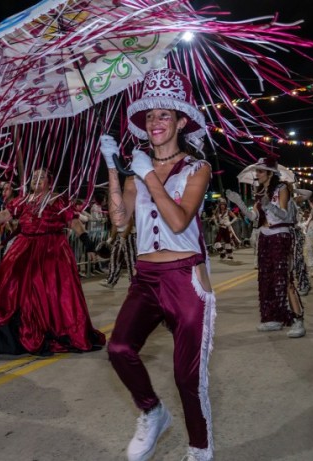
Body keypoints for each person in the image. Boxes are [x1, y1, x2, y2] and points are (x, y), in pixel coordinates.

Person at [100, 68, 215, 461]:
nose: (155, 123)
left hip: (185, 277)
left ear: (181, 121)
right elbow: (120, 223)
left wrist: (148, 174)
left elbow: (180, 220)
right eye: (150, 117)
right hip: (146, 276)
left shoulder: (198, 169)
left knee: (187, 377)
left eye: (164, 115)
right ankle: (152, 411)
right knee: (117, 348)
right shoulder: (137, 172)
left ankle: (200, 450)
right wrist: (115, 170)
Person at [0, 169, 106, 355]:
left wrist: (87, 244)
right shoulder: (23, 200)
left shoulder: (58, 200)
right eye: (34, 176)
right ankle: (18, 335)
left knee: (51, 292)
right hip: (24, 248)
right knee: (11, 286)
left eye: (42, 177)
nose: (37, 179)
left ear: (49, 181)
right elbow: (5, 215)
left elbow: (73, 222)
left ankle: (53, 330)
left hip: (51, 250)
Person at [246, 157, 307, 339]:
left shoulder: (281, 189)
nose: (257, 174)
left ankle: (298, 320)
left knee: (285, 278)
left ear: (270, 173)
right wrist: (240, 204)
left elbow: (284, 214)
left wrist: (267, 205)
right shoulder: (260, 192)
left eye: (260, 171)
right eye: (256, 171)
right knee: (267, 279)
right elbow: (253, 217)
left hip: (281, 236)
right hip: (265, 237)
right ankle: (274, 318)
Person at [99, 217, 137, 289]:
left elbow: (130, 222)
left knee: (131, 260)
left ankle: (134, 282)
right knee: (115, 258)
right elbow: (114, 224)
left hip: (129, 235)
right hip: (119, 235)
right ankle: (111, 281)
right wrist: (110, 239)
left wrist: (123, 237)